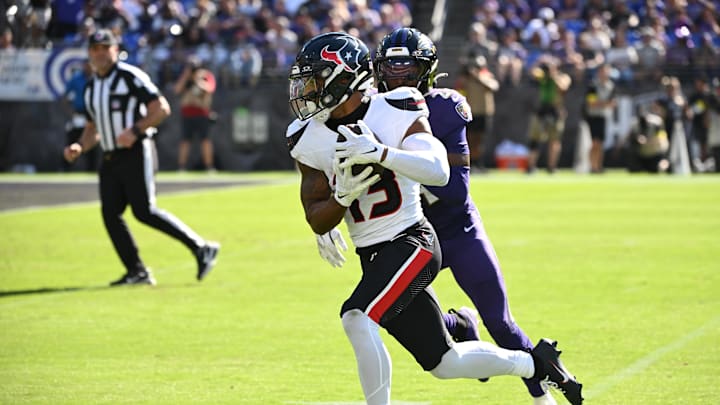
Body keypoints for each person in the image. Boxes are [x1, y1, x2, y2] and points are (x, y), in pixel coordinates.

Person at [286, 31, 583, 405]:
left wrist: (380, 153)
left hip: (413, 240)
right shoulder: (306, 136)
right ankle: (533, 365)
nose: (306, 91)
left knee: (356, 317)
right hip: (373, 252)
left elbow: (441, 173)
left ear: (343, 78)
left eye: (314, 81)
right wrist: (339, 200)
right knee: (445, 362)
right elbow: (316, 215)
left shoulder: (397, 108)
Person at [63, 29, 220, 286]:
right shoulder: (92, 86)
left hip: (136, 151)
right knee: (110, 214)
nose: (101, 53)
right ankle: (136, 271)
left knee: (144, 211)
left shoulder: (129, 76)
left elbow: (161, 108)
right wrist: (80, 147)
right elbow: (93, 128)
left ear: (116, 50)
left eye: (106, 48)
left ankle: (201, 247)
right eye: (95, 49)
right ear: (89, 53)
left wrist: (136, 130)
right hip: (110, 156)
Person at [526, 58, 572, 174]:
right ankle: (531, 166)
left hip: (555, 111)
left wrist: (553, 75)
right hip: (542, 110)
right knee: (534, 139)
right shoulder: (543, 77)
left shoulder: (563, 77)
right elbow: (531, 73)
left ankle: (552, 166)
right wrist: (538, 64)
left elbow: (563, 88)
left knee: (554, 140)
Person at [454, 55, 499, 172]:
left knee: (480, 140)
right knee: (469, 139)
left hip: (484, 112)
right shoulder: (466, 79)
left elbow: (493, 86)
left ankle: (478, 162)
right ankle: (471, 163)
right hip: (471, 112)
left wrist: (477, 77)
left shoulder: (486, 76)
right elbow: (459, 88)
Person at [173, 57, 217, 172]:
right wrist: (186, 76)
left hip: (202, 113)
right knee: (185, 141)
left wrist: (197, 79)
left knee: (205, 140)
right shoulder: (185, 77)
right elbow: (177, 90)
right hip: (187, 114)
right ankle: (181, 167)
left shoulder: (206, 75)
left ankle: (209, 166)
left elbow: (210, 89)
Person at [61, 59, 98, 172]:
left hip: (93, 114)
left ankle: (91, 169)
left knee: (91, 141)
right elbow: (65, 96)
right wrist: (70, 113)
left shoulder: (98, 78)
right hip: (79, 113)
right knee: (73, 139)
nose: (88, 67)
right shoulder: (76, 78)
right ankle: (67, 167)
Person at [583, 63, 616, 174]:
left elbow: (612, 103)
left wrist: (602, 104)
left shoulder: (610, 86)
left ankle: (598, 166)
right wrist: (604, 104)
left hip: (603, 116)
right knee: (594, 142)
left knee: (600, 143)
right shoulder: (593, 85)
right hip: (593, 116)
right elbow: (591, 103)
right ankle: (592, 166)